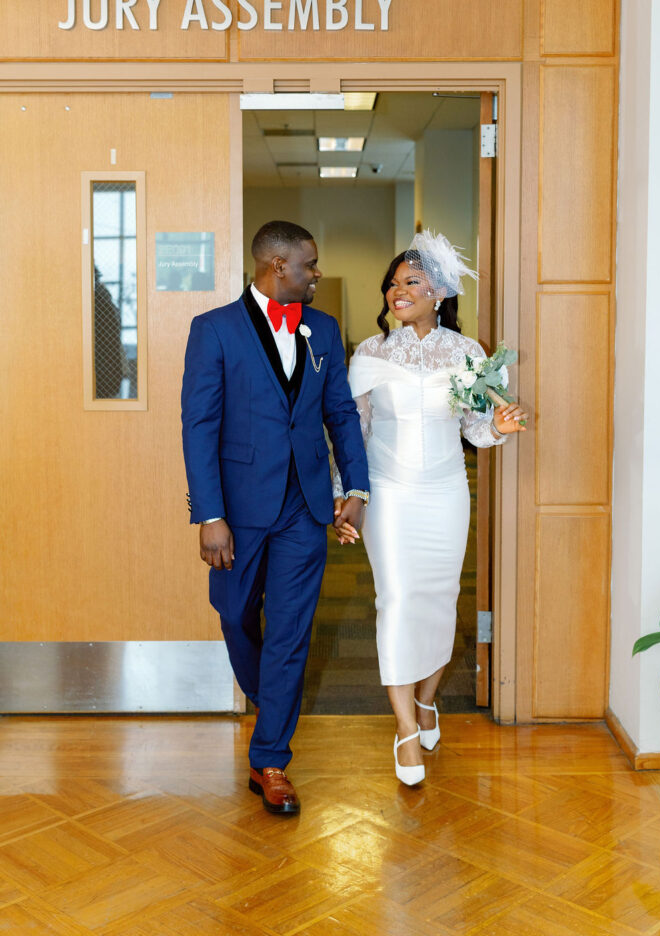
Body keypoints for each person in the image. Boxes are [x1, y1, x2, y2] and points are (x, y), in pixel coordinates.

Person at [181, 221, 369, 815]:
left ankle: (271, 761)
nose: (317, 273)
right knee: (235, 614)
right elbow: (199, 426)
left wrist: (356, 487)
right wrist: (209, 515)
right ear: (277, 267)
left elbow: (339, 414)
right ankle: (271, 697)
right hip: (237, 507)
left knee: (290, 630)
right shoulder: (212, 330)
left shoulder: (325, 330)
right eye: (309, 264)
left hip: (305, 506)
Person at [334, 230, 527, 786]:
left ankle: (426, 699)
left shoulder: (467, 354)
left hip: (446, 491)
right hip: (389, 491)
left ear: (439, 290)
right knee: (395, 599)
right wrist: (346, 496)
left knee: (440, 600)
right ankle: (405, 730)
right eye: (392, 283)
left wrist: (498, 424)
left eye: (411, 281)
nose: (398, 291)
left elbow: (474, 426)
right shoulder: (370, 353)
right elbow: (354, 430)